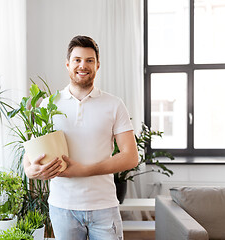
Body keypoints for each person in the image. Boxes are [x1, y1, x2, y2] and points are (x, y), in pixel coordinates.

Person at [23, 35, 139, 240]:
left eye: (89, 60)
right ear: (68, 65)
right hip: (62, 208)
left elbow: (131, 156)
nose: (82, 65)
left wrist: (84, 170)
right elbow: (29, 159)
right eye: (77, 60)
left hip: (104, 207)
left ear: (97, 65)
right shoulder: (49, 104)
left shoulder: (114, 104)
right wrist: (32, 171)